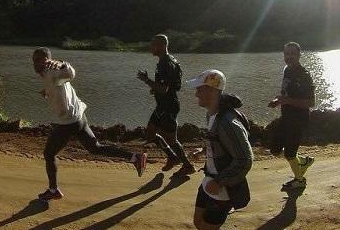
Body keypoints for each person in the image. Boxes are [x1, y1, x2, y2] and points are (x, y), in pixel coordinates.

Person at [32, 47, 147, 202]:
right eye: (34, 60)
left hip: (69, 122)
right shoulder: (48, 74)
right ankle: (135, 157)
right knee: (95, 147)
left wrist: (61, 63)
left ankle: (53, 191)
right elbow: (59, 84)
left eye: (39, 60)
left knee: (49, 154)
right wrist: (46, 91)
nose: (35, 63)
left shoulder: (53, 70)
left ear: (47, 60)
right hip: (79, 116)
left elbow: (70, 74)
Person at [188, 69, 253, 230]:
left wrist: (219, 181)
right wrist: (203, 151)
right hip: (209, 180)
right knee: (198, 222)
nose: (196, 94)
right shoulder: (212, 114)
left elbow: (245, 159)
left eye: (199, 89)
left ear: (211, 90)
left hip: (221, 188)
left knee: (206, 227)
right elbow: (217, 140)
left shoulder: (228, 123)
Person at [137, 34, 195, 177]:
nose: (151, 47)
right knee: (150, 133)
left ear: (163, 45)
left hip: (169, 106)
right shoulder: (168, 60)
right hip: (162, 105)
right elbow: (171, 85)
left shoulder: (166, 63)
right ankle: (172, 157)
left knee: (171, 139)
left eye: (154, 45)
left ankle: (188, 166)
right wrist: (154, 88)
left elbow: (164, 89)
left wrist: (146, 80)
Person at [268, 42, 316, 190]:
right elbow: (285, 92)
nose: (289, 57)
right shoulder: (287, 70)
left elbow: (311, 102)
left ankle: (299, 180)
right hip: (286, 117)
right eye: (286, 54)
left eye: (292, 54)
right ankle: (302, 161)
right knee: (275, 149)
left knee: (289, 153)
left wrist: (287, 101)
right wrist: (278, 101)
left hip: (299, 120)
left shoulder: (304, 76)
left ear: (299, 55)